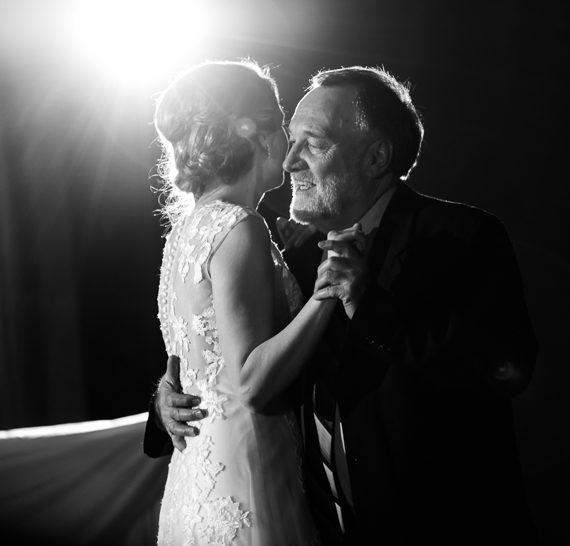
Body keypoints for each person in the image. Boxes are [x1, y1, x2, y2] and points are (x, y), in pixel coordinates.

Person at [145, 65, 539, 545]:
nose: (289, 162)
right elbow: (236, 367)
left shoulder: (461, 238)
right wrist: (168, 403)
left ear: (376, 157)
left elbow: (503, 369)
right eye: (288, 141)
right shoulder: (295, 259)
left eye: (312, 143)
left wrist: (367, 305)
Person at [147, 59, 353, 545]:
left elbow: (193, 363)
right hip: (246, 473)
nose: (289, 142)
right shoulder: (240, 227)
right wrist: (326, 290)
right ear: (257, 133)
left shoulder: (184, 234)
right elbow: (248, 382)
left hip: (197, 477)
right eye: (281, 124)